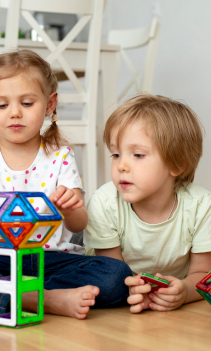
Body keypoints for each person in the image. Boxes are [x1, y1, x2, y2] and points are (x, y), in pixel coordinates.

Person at [0, 50, 132, 319]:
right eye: (2, 106)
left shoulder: (60, 156)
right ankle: (43, 299)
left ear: (49, 105)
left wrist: (70, 208)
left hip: (52, 261)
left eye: (26, 103)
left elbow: (78, 225)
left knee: (117, 275)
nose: (14, 113)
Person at [84, 94, 211, 313]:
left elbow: (202, 274)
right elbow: (112, 272)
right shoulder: (104, 202)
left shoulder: (201, 206)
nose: (121, 165)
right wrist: (135, 291)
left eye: (138, 155)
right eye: (115, 154)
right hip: (111, 277)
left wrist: (184, 292)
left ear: (177, 164)